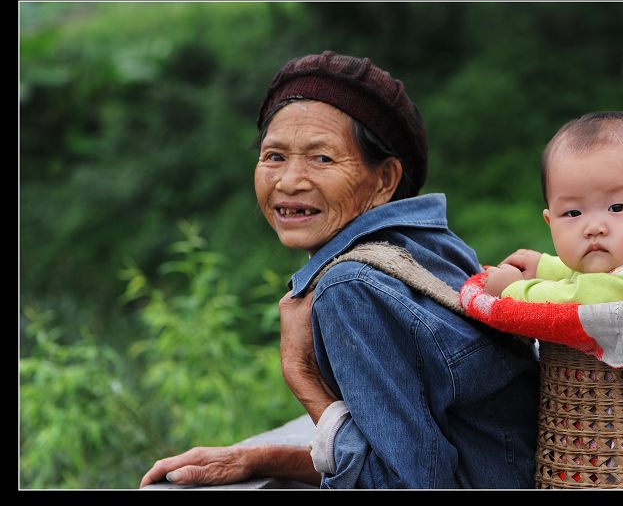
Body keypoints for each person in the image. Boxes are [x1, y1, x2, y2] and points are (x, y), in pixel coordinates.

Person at [140, 51, 538, 489]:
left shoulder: (349, 286)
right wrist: (260, 458)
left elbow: (404, 484)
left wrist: (302, 376)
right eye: (274, 156)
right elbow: (414, 454)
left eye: (322, 159)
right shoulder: (426, 247)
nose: (289, 181)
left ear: (384, 179)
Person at [483, 111, 623, 302]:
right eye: (573, 213)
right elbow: (593, 275)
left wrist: (513, 290)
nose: (594, 228)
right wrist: (545, 267)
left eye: (616, 208)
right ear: (550, 222)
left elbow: (580, 297)